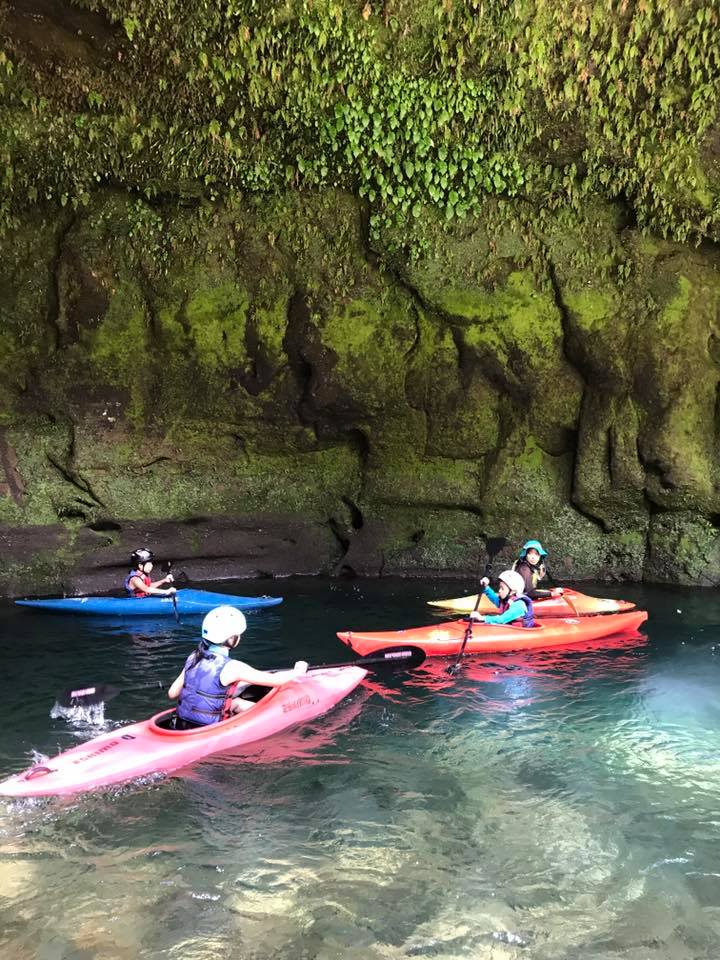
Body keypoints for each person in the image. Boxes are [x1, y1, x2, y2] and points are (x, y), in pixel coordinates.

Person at [168, 605, 308, 729]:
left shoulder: (193, 657)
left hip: (181, 723)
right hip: (209, 728)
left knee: (236, 703)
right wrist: (298, 671)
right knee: (251, 706)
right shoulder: (232, 667)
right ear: (231, 639)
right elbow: (276, 680)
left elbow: (172, 693)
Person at [469, 569, 535, 627]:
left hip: (520, 632)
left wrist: (482, 618)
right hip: (510, 628)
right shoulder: (506, 600)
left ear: (513, 591)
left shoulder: (519, 605)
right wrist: (486, 587)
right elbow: (495, 599)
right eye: (500, 587)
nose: (499, 590)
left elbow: (502, 619)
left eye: (502, 588)